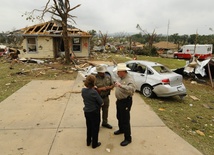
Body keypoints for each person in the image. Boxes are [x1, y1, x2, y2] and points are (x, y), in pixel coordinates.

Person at [113, 63, 136, 146]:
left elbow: (132, 90)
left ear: (123, 71)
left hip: (125, 101)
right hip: (119, 101)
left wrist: (121, 86)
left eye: (118, 72)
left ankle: (128, 138)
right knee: (119, 116)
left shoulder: (129, 79)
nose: (117, 73)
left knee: (125, 119)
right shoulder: (120, 77)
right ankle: (121, 129)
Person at [81, 75, 103, 149]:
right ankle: (94, 143)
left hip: (87, 111)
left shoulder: (83, 91)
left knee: (89, 127)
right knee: (95, 128)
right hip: (94, 112)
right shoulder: (94, 92)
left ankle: (88, 141)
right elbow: (101, 102)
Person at [95, 65, 114, 129]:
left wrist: (109, 87)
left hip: (106, 97)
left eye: (103, 72)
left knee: (105, 110)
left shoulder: (108, 77)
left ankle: (105, 122)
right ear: (98, 72)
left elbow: (112, 84)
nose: (103, 73)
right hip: (98, 98)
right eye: (101, 72)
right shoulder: (95, 78)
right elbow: (92, 88)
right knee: (97, 112)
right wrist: (100, 89)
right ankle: (97, 124)